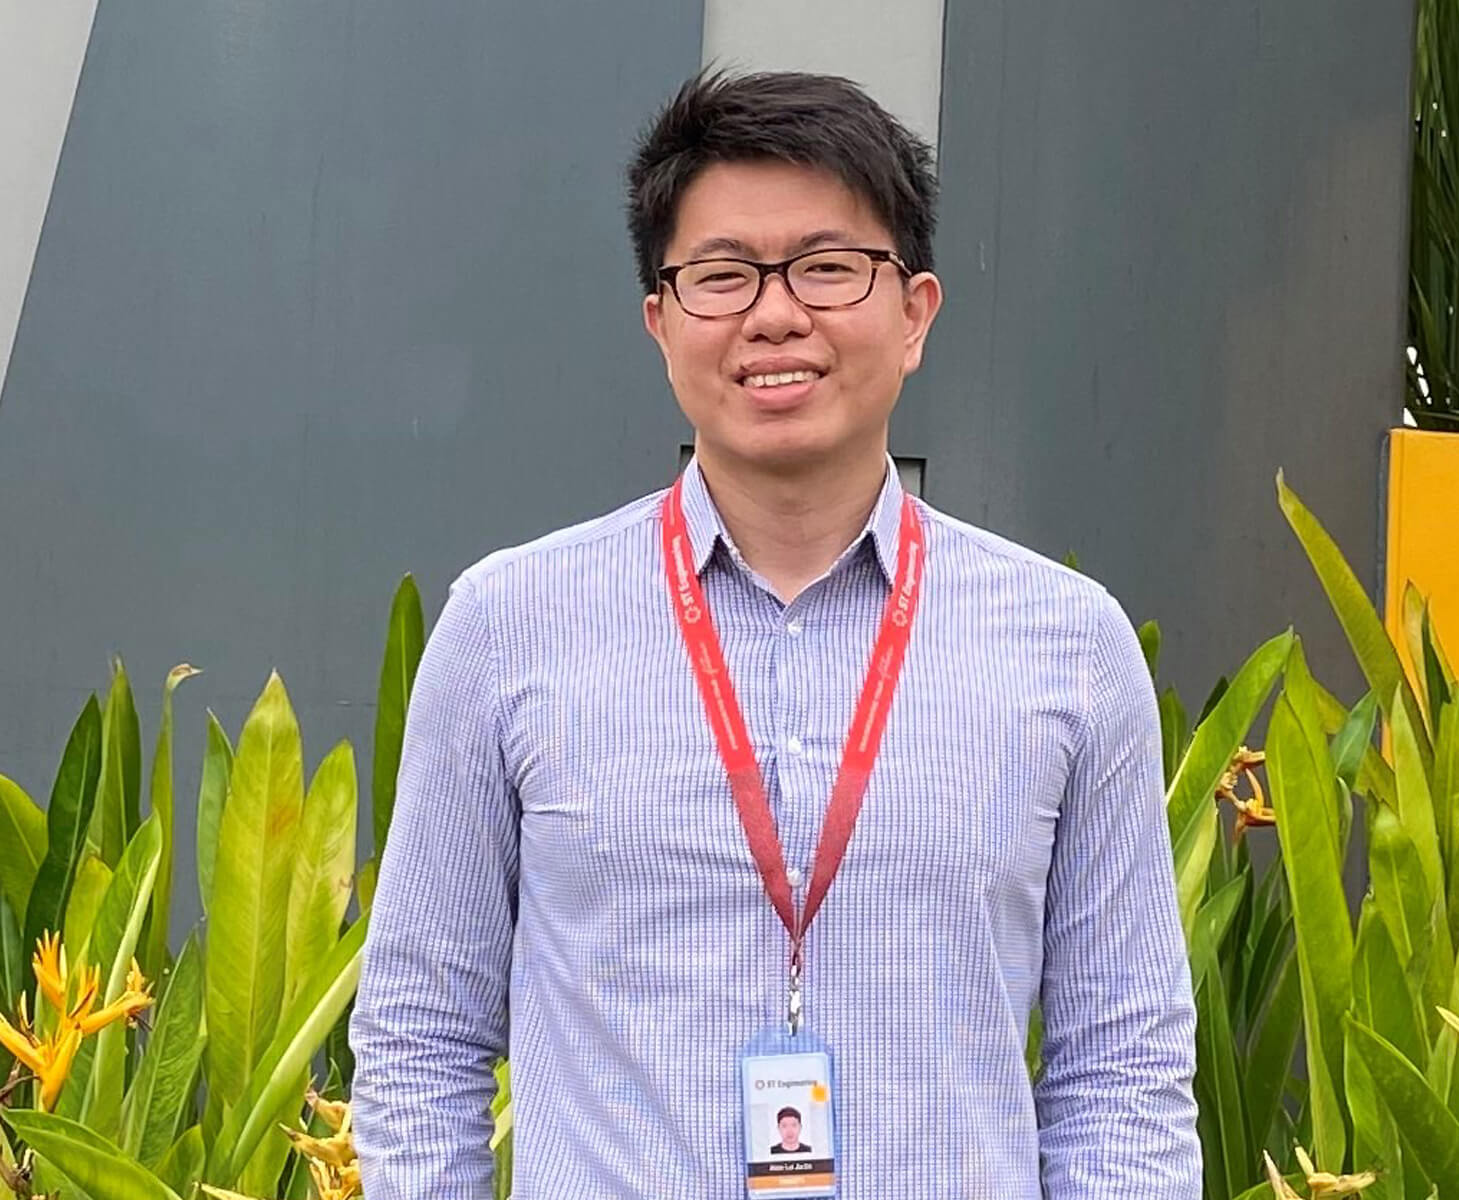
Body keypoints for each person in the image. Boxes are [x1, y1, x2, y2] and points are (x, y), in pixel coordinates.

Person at [350, 69, 1200, 1199]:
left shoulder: (1065, 647)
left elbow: (1122, 1071)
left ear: (915, 314)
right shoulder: (509, 630)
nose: (774, 312)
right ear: (660, 323)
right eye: (723, 275)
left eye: (828, 266)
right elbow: (420, 1038)